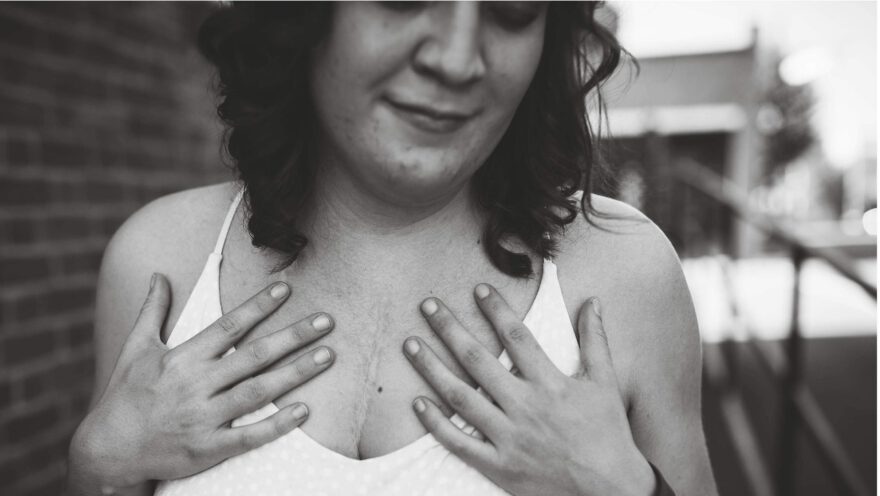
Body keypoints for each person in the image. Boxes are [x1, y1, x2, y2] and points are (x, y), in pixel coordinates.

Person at [67, 2, 718, 495]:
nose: (459, 59)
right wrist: (96, 468)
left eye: (513, 6)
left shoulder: (625, 273)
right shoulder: (162, 261)